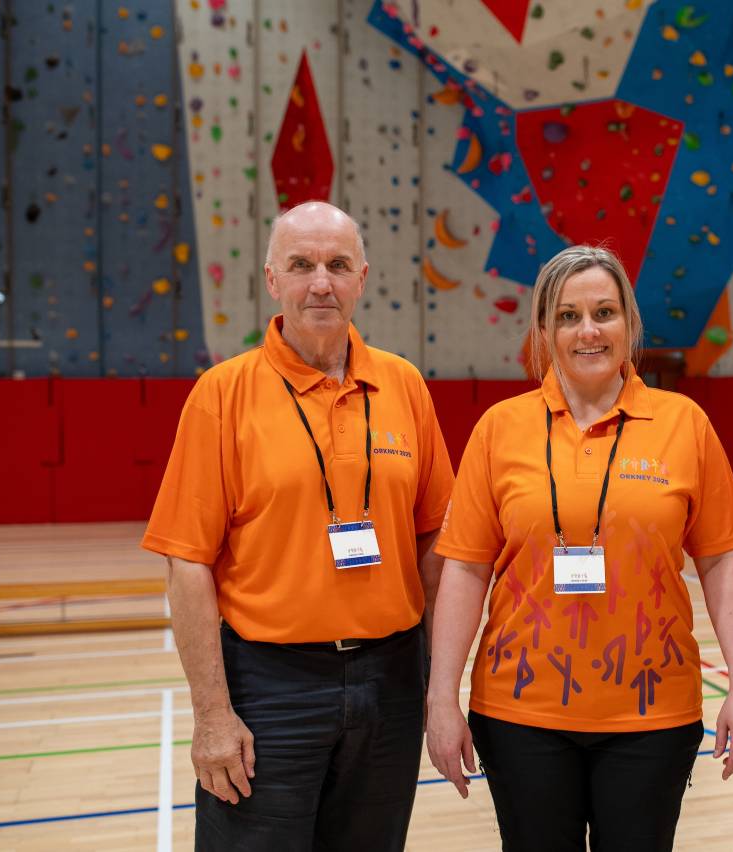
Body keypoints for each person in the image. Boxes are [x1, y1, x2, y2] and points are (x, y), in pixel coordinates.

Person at [141, 201, 455, 851]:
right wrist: (212, 716)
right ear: (272, 280)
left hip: (391, 679)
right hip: (268, 688)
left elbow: (436, 544)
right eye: (302, 265)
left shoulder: (404, 386)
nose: (321, 282)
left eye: (338, 265)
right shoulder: (221, 396)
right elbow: (187, 562)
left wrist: (436, 681)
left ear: (362, 279)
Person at [425, 245, 733, 852]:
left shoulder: (684, 423)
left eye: (604, 312)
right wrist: (440, 697)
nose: (588, 331)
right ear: (544, 331)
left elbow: (720, 562)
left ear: (630, 325)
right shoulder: (500, 429)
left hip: (651, 718)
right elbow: (466, 571)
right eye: (568, 316)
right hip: (520, 714)